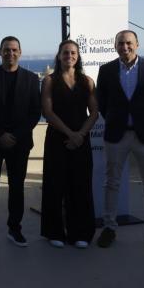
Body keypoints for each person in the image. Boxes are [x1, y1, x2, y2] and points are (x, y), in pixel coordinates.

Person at [96, 30, 144, 254]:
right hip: (116, 135)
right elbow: (102, 103)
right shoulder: (106, 70)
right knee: (112, 183)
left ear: (137, 44)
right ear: (115, 46)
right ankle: (109, 227)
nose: (124, 47)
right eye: (120, 43)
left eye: (129, 43)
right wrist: (117, 120)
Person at [0, 36, 41, 250]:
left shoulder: (31, 79)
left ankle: (15, 229)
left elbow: (35, 112)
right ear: (0, 52)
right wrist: (0, 135)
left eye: (14, 50)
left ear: (20, 52)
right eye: (6, 50)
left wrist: (15, 135)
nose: (10, 53)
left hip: (20, 143)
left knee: (16, 187)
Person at [40, 40, 98, 248]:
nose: (69, 56)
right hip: (57, 139)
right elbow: (47, 112)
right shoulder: (49, 81)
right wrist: (70, 134)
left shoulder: (87, 81)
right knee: (55, 185)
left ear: (78, 56)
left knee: (81, 185)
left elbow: (94, 112)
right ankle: (54, 232)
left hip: (81, 140)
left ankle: (81, 233)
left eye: (73, 53)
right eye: (65, 52)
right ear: (59, 56)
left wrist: (80, 134)